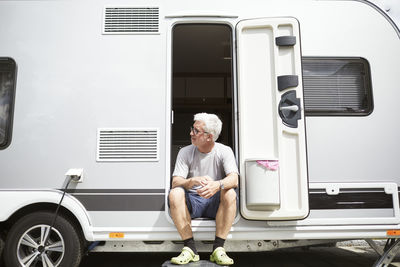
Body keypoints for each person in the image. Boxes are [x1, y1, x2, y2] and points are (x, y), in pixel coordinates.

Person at [169, 113, 239, 265]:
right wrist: (191, 181)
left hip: (215, 202)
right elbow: (175, 181)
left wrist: (217, 185)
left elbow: (234, 179)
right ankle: (190, 249)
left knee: (230, 193)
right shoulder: (185, 152)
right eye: (192, 129)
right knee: (175, 193)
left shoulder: (224, 151)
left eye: (195, 130)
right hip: (193, 202)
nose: (190, 133)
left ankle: (218, 249)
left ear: (209, 136)